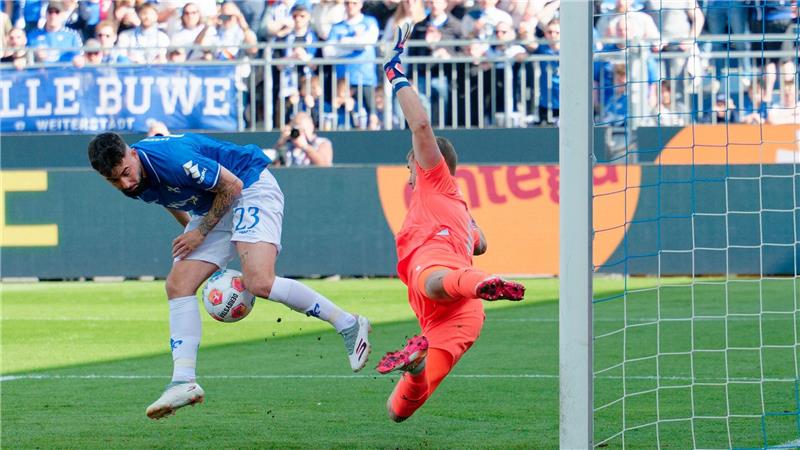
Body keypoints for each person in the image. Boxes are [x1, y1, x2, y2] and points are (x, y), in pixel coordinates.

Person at [87, 132, 371, 420]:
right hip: (212, 205)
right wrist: (193, 234)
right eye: (114, 180)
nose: (125, 183)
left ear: (133, 154)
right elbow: (168, 197)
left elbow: (232, 186)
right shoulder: (134, 181)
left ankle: (348, 324)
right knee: (178, 284)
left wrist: (200, 233)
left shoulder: (173, 158)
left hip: (248, 184)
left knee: (259, 282)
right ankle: (183, 381)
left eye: (125, 173)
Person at [376, 21, 526, 422]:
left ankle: (482, 282)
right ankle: (416, 364)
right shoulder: (458, 205)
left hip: (439, 271)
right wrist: (470, 233)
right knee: (398, 410)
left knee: (432, 279)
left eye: (411, 162)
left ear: (422, 162)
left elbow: (421, 126)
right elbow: (481, 243)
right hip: (459, 317)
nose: (409, 169)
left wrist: (394, 71)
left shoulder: (434, 179)